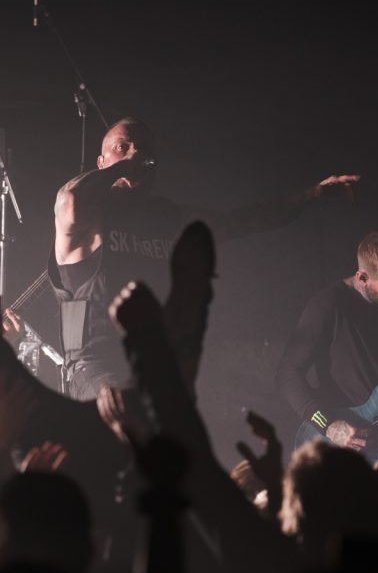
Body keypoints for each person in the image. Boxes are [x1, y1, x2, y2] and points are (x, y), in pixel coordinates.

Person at [45, 116, 359, 401]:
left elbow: (241, 221)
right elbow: (70, 200)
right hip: (95, 366)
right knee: (123, 409)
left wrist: (311, 194)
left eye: (143, 151)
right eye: (122, 146)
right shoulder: (88, 217)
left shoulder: (166, 217)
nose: (134, 154)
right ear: (101, 162)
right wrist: (125, 166)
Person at [275, 230, 378, 450]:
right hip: (344, 446)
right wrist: (329, 426)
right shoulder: (328, 305)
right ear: (362, 277)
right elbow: (287, 374)